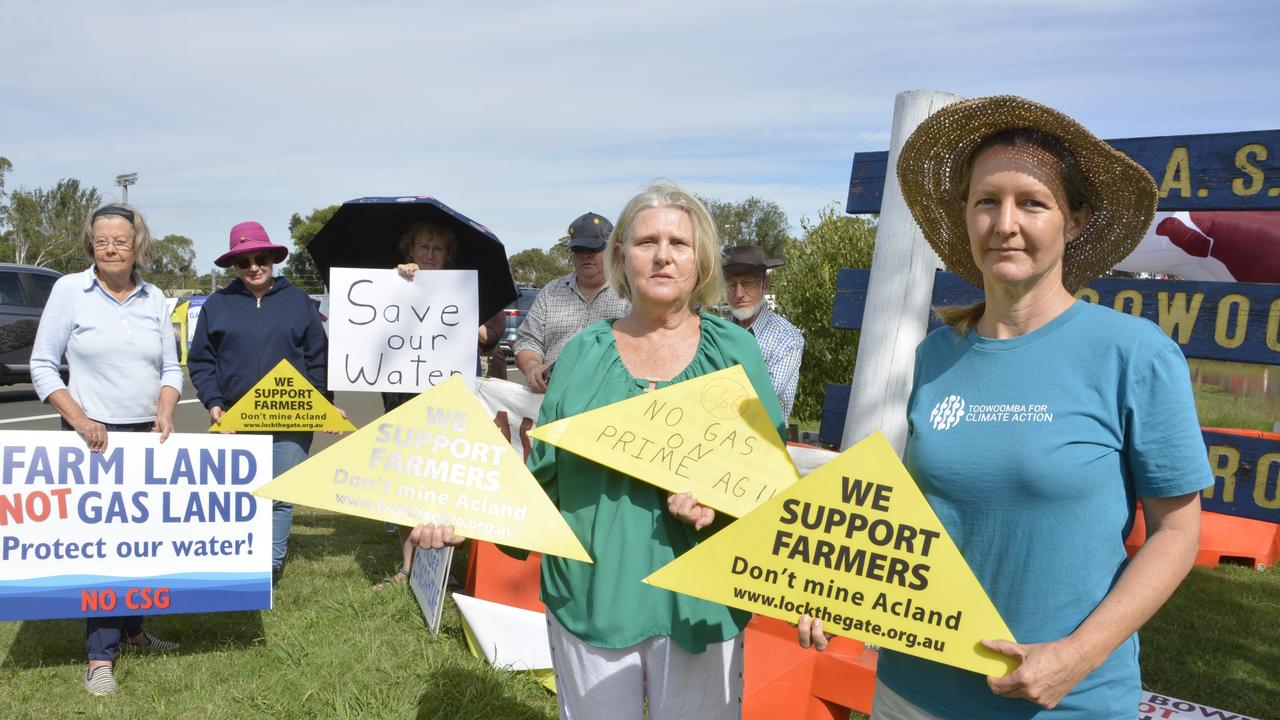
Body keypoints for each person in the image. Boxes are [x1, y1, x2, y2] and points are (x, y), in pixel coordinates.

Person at [797, 96, 1211, 719]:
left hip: (1065, 702)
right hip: (913, 691)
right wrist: (843, 587)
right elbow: (920, 512)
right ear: (964, 216)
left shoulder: (1134, 354)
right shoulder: (938, 355)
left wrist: (1078, 654)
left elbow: (1177, 532)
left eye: (1032, 203)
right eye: (986, 200)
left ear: (1075, 222)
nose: (1005, 222)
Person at [30, 203, 183, 696]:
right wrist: (80, 419)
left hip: (145, 436)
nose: (112, 248)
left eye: (121, 240)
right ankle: (100, 656)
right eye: (102, 241)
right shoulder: (69, 291)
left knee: (142, 539)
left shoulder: (155, 296)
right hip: (90, 439)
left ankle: (133, 629)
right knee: (103, 548)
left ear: (137, 244)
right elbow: (42, 365)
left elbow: (170, 368)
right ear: (89, 246)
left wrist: (166, 408)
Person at [188, 221, 332, 588]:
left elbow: (319, 359)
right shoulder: (217, 305)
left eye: (261, 258)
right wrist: (214, 403)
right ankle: (238, 557)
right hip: (235, 416)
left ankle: (269, 570)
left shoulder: (299, 302)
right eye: (245, 261)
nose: (254, 266)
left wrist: (324, 404)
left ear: (272, 259)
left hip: (293, 419)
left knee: (279, 496)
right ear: (234, 265)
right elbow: (202, 361)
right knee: (239, 496)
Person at [376, 219, 506, 589]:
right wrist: (398, 281)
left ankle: (449, 568)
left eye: (438, 249)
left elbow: (489, 335)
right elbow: (374, 321)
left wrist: (458, 312)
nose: (429, 255)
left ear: (449, 255)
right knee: (406, 485)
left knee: (449, 484)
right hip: (405, 398)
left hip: (457, 402)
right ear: (410, 251)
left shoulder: (471, 287)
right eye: (422, 247)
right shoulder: (399, 283)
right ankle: (408, 568)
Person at [514, 212, 630, 393]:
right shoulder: (551, 292)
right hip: (552, 397)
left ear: (612, 250)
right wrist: (532, 366)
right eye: (579, 249)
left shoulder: (630, 293)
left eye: (594, 249)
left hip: (609, 398)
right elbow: (528, 340)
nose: (586, 255)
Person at [722, 245, 803, 418]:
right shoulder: (718, 332)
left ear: (765, 285)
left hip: (764, 438)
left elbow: (764, 398)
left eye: (748, 283)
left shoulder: (786, 338)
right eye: (731, 284)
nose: (739, 293)